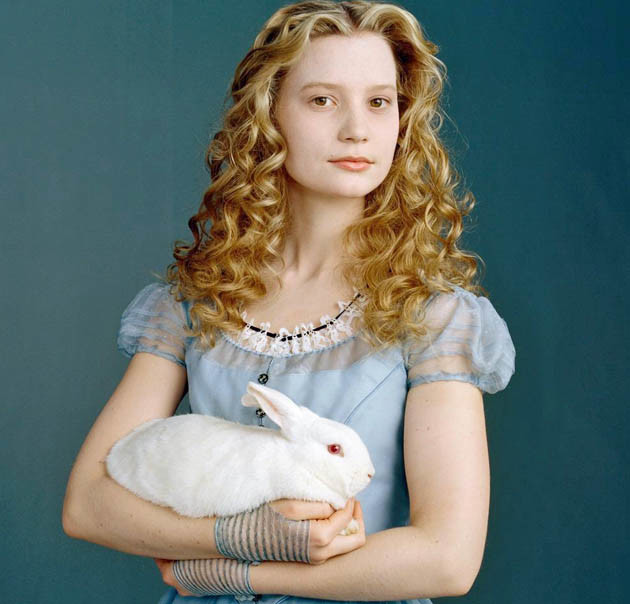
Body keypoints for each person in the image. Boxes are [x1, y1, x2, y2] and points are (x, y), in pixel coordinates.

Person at [62, 1, 516, 603]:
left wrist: (238, 572)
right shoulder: (196, 302)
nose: (356, 129)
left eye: (379, 102)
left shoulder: (434, 317)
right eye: (323, 100)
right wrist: (238, 534)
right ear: (268, 116)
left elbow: (446, 560)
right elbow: (88, 504)